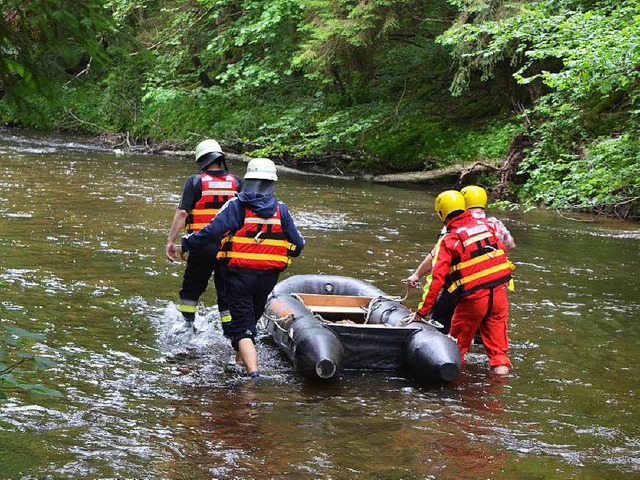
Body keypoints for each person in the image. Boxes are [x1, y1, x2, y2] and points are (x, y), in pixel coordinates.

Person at [181, 158, 305, 377]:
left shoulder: (236, 205)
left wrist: (186, 242)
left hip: (238, 275)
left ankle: (252, 375)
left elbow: (211, 231)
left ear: (248, 180)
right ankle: (239, 365)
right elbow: (298, 245)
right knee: (250, 321)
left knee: (242, 330)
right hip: (268, 277)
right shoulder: (281, 210)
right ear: (272, 183)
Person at [413, 190, 514, 374]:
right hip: (499, 294)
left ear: (442, 213)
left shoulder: (450, 239)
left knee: (456, 349)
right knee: (499, 353)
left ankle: (456, 393)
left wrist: (422, 312)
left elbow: (437, 279)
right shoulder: (488, 226)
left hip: (473, 299)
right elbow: (503, 252)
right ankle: (498, 392)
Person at [404, 185, 516, 333]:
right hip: (495, 283)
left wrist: (417, 275)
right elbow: (509, 244)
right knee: (485, 320)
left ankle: (439, 336)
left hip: (464, 284)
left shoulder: (454, 228)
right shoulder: (494, 223)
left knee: (442, 313)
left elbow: (435, 257)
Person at [165, 139, 243, 331]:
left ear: (201, 160)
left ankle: (187, 326)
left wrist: (171, 240)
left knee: (192, 287)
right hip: (229, 247)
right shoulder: (238, 182)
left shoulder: (195, 181)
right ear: (220, 159)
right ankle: (230, 332)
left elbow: (182, 213)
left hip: (201, 245)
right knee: (226, 292)